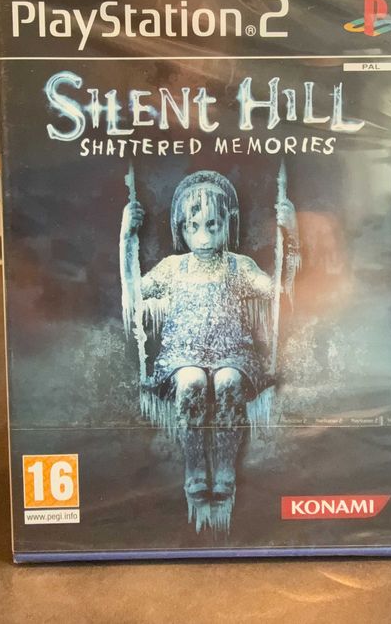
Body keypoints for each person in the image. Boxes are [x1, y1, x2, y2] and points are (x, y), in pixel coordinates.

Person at [120, 170, 299, 532]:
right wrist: (126, 238)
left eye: (212, 226)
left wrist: (291, 238)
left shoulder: (238, 266)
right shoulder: (173, 268)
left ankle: (225, 469)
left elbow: (278, 294)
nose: (203, 237)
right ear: (181, 228)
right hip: (181, 355)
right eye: (193, 226)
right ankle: (195, 468)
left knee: (228, 382)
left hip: (233, 353)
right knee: (191, 383)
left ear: (226, 224)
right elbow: (133, 292)